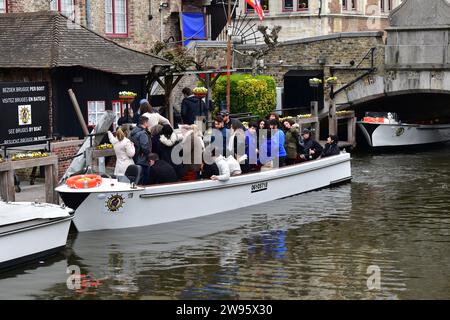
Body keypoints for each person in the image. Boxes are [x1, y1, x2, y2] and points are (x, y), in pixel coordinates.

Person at [130, 116, 151, 184]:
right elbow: (145, 147)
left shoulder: (134, 131)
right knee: (144, 178)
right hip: (143, 159)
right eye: (148, 122)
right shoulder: (143, 134)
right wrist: (149, 155)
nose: (148, 124)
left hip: (136, 158)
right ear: (145, 123)